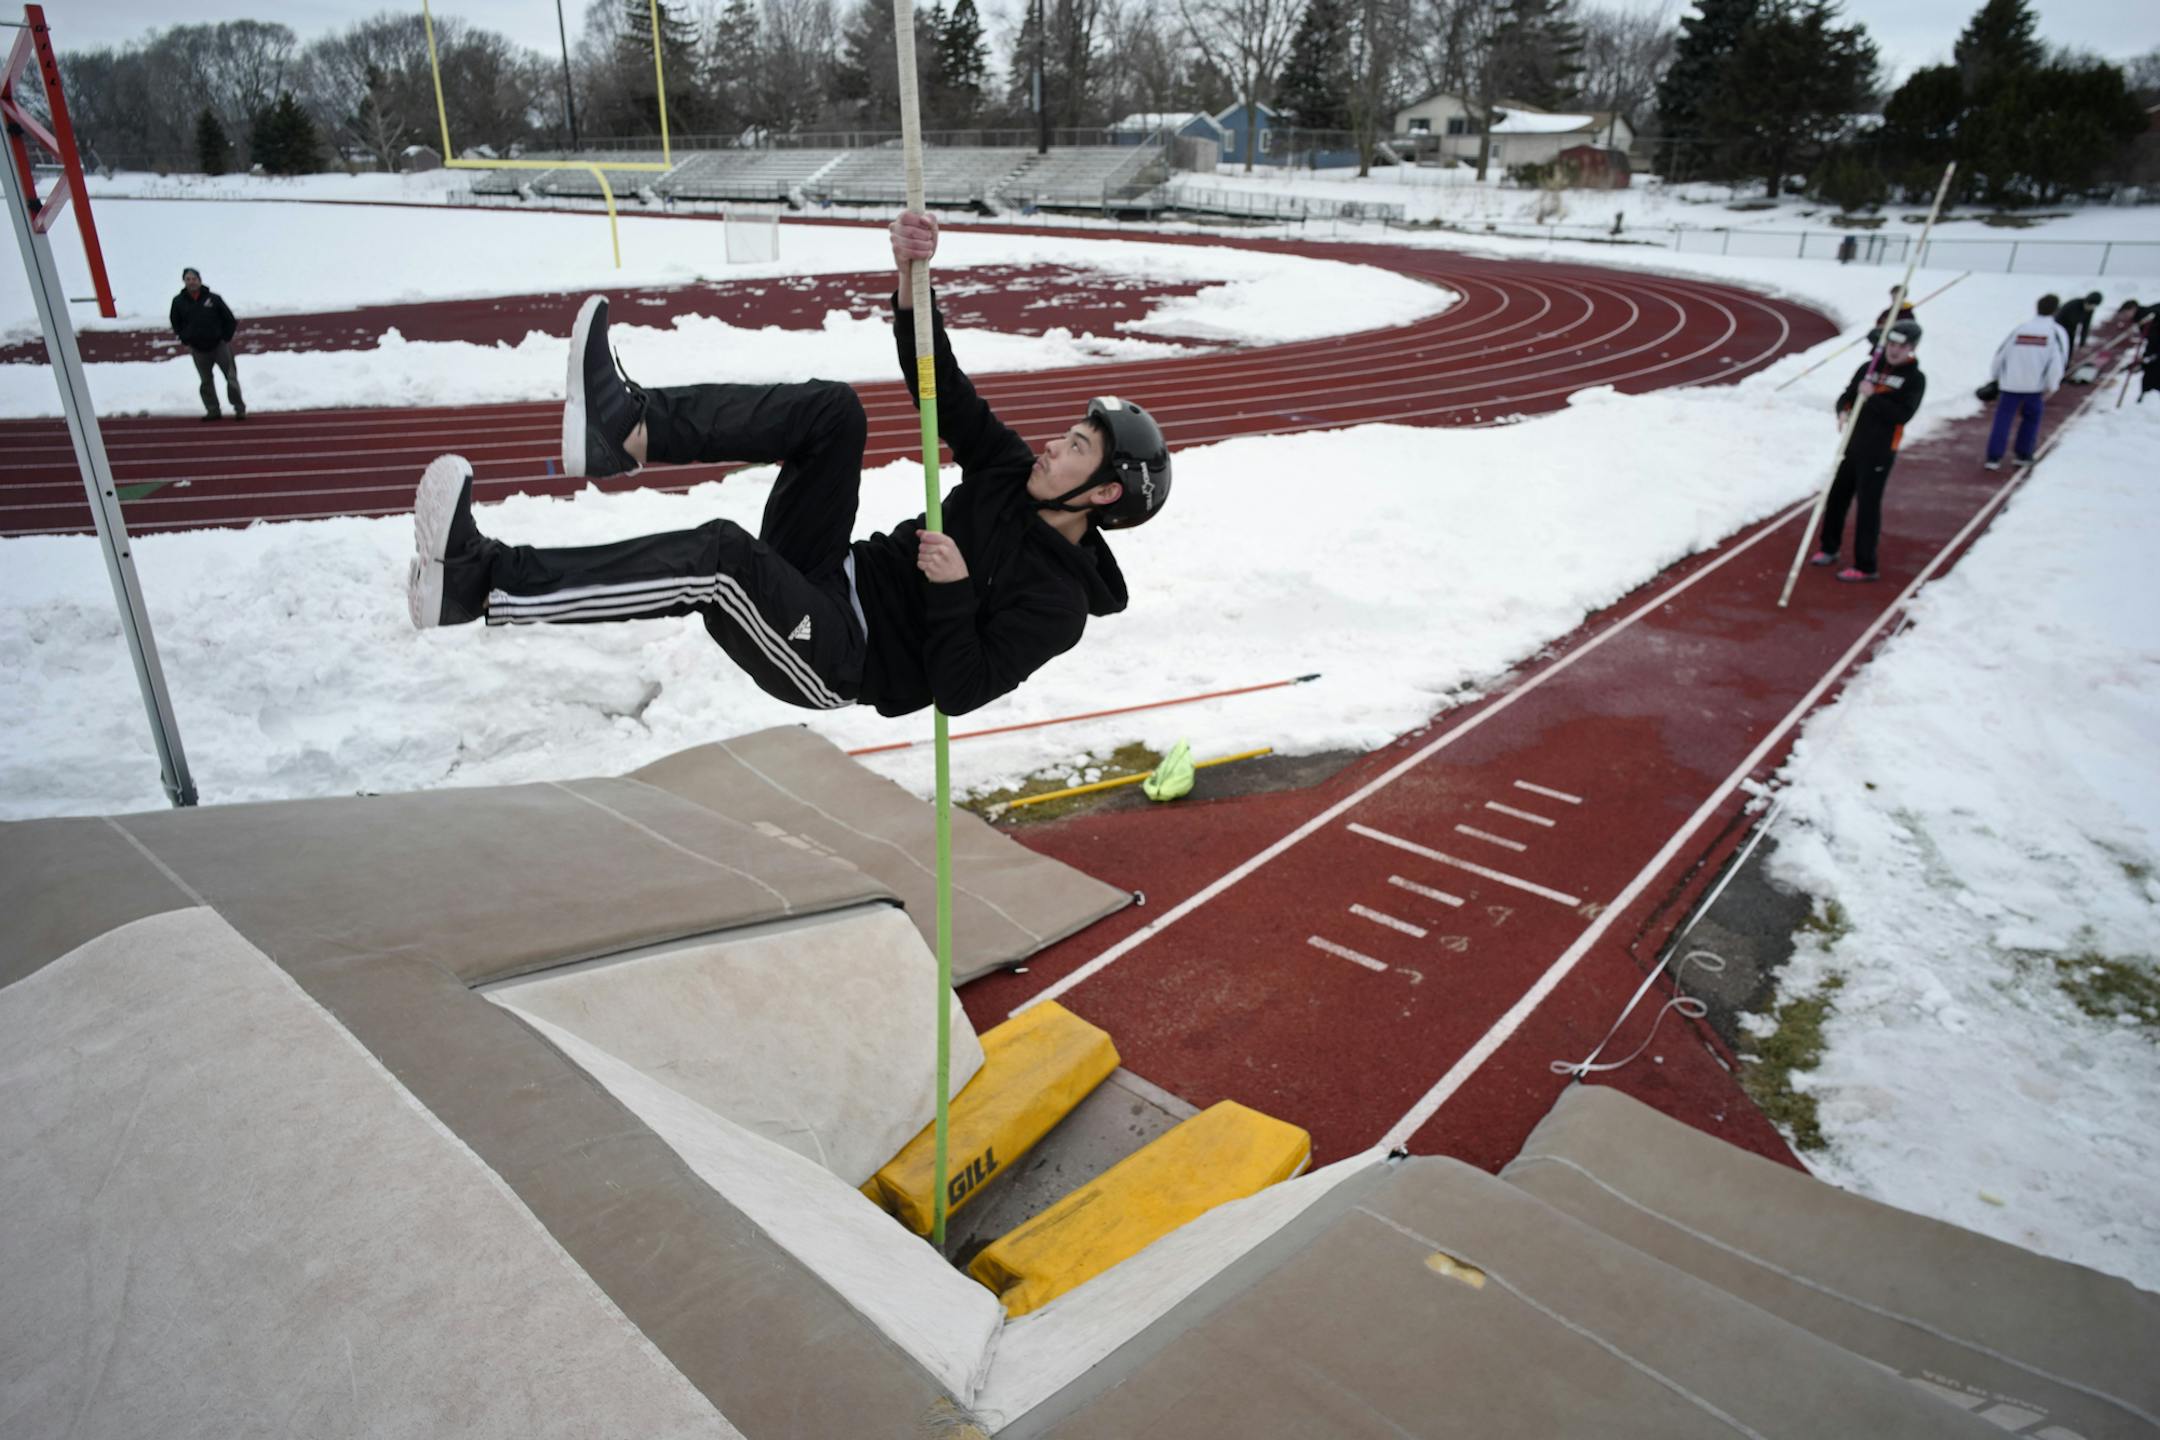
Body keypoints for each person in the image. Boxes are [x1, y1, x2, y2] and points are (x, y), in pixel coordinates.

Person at [404, 211, 1170, 719]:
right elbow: (941, 382)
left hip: (841, 654)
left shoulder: (1058, 605)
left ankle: (479, 583)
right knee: (835, 412)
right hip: (829, 570)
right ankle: (629, 430)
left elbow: (962, 691)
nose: (1052, 444)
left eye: (1076, 448)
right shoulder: (1010, 473)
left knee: (720, 558)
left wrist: (955, 589)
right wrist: (913, 278)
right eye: (1067, 431)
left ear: (1103, 493)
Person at [1810, 317, 1926, 584]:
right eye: (1891, 344)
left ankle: (1865, 565)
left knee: (1867, 507)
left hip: (1879, 451)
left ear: (1912, 348)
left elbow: (1902, 415)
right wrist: (1843, 410)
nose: (1894, 350)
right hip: (1852, 445)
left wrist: (1873, 396)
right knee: (1836, 498)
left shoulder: (1915, 379)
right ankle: (1829, 547)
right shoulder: (1869, 368)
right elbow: (1848, 395)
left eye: (1901, 346)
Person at [1982, 294, 2067, 471]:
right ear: (2056, 310)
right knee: (2031, 419)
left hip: (2010, 384)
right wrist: (2053, 385)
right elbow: (2057, 361)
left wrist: (1996, 376)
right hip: (2034, 387)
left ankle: (1993, 456)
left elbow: (2001, 354)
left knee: (2002, 419)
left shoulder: (2020, 329)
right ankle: (2023, 454)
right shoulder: (2055, 332)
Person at [168, 266, 245, 421]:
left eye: (194, 279)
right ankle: (212, 410)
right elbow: (175, 322)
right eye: (188, 279)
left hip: (219, 345)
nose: (191, 282)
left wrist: (225, 337)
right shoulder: (178, 302)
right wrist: (185, 338)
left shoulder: (213, 299)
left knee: (231, 378)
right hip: (198, 349)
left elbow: (229, 319)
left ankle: (239, 408)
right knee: (206, 381)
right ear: (184, 281)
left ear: (200, 280)